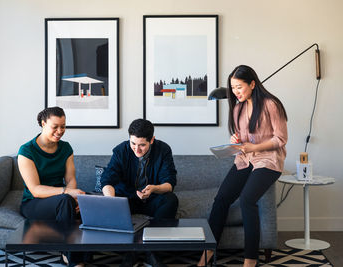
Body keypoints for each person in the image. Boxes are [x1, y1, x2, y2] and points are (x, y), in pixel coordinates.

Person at [197, 65, 288, 267]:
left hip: (268, 160)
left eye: (239, 87)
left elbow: (281, 138)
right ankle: (207, 253)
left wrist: (255, 146)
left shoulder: (270, 104)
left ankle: (250, 260)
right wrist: (235, 139)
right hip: (244, 158)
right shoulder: (237, 107)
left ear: (252, 84)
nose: (235, 92)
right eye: (233, 87)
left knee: (247, 199)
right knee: (221, 199)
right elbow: (243, 138)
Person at [101, 118, 178, 267]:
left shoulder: (163, 150)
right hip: (127, 199)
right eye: (133, 144)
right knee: (114, 199)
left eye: (142, 145)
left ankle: (151, 251)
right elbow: (107, 180)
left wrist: (154, 188)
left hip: (153, 198)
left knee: (171, 200)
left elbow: (170, 183)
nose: (137, 150)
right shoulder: (121, 150)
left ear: (152, 140)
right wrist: (111, 201)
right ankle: (131, 252)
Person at [18, 106, 88, 267]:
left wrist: (75, 197)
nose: (59, 131)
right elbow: (35, 189)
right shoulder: (26, 151)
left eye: (63, 126)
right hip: (33, 203)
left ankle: (85, 254)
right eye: (54, 127)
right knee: (65, 200)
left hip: (61, 201)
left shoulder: (66, 148)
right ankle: (73, 259)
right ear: (43, 124)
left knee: (89, 201)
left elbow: (71, 179)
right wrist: (67, 193)